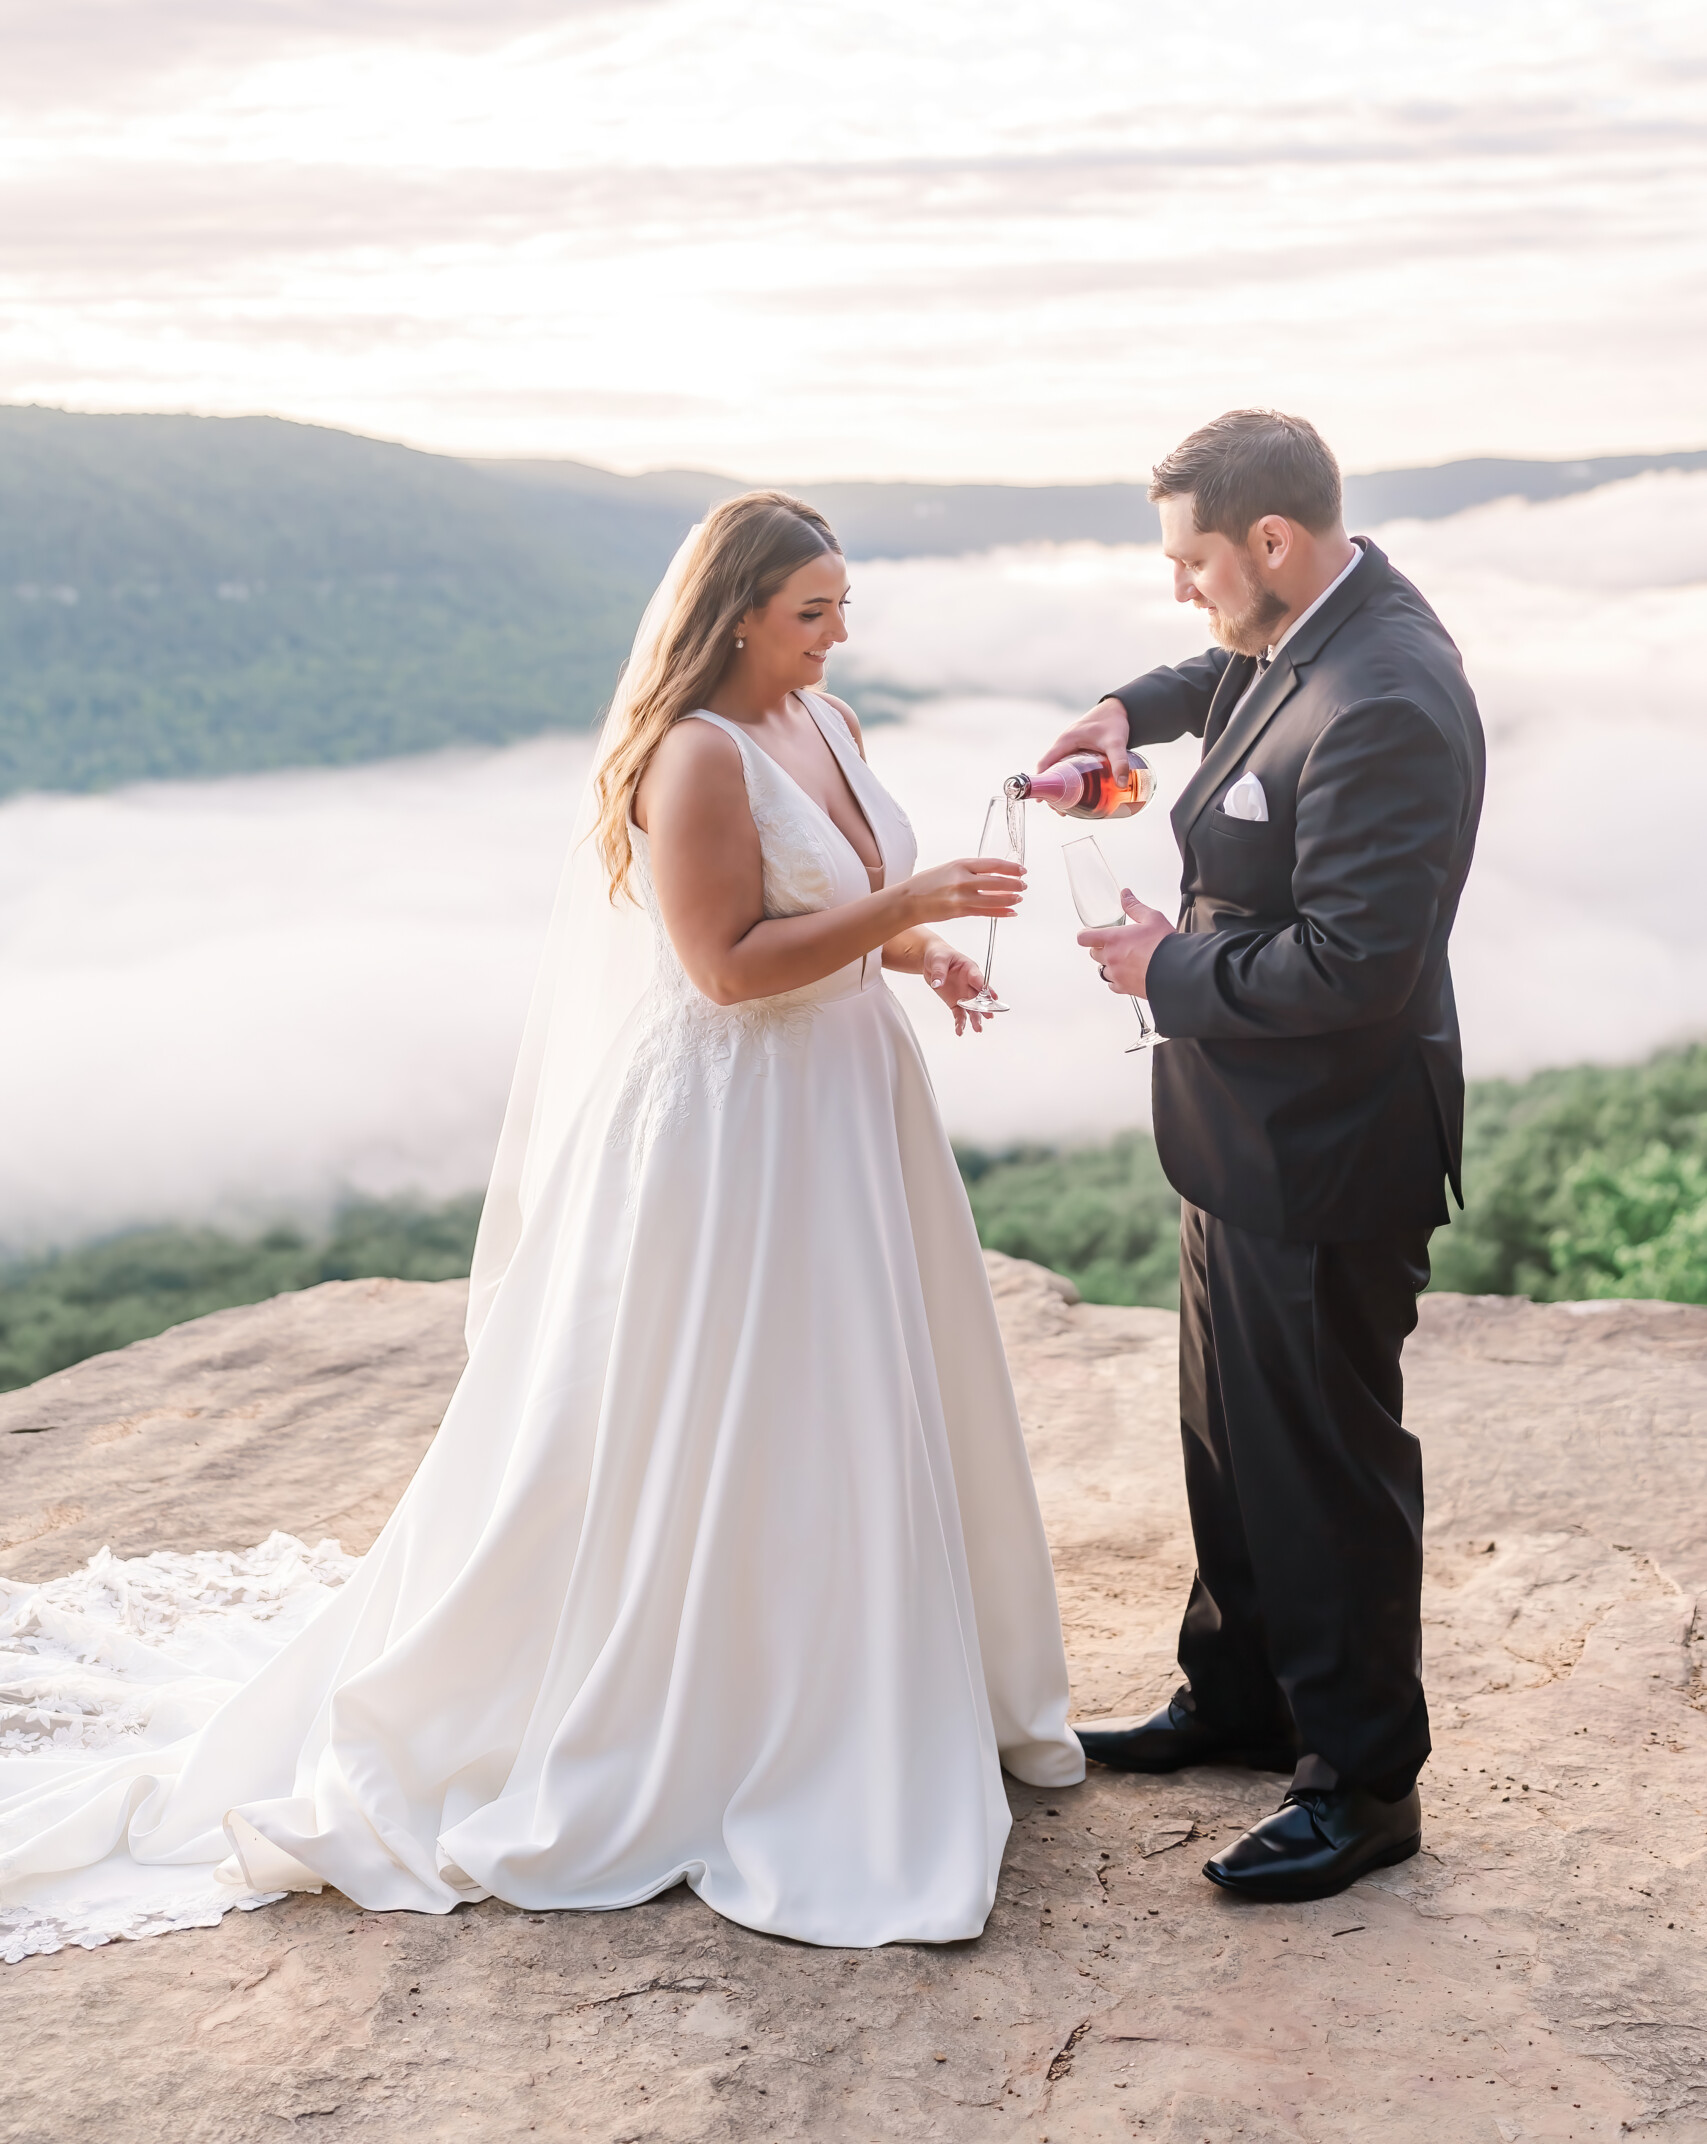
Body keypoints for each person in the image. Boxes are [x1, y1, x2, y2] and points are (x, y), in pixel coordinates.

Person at [0, 491, 1083, 1961]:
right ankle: (712, 1706)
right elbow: (724, 968)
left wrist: (922, 948)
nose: (840, 634)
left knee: (852, 1396)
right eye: (813, 611)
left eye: (842, 607)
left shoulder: (825, 727)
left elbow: (829, 904)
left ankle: (855, 1675)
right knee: (727, 1407)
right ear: (739, 615)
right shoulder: (693, 758)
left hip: (845, 1111)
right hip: (737, 1132)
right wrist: (908, 891)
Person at [1036, 409, 1483, 1902]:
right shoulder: (1305, 624)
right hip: (1240, 1137)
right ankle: (1241, 1698)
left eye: (1193, 561)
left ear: (1271, 544)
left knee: (1328, 1471)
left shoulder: (1389, 696)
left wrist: (1163, 971)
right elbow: (1225, 672)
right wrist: (1121, 709)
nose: (1185, 591)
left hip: (1334, 1151)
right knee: (1232, 1447)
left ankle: (1360, 1784)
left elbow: (1356, 966)